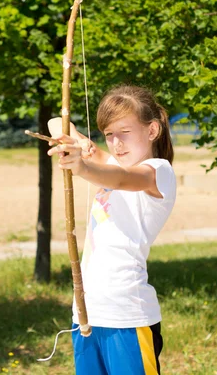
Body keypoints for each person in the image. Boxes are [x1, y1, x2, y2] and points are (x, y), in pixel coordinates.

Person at [47, 85, 176, 375]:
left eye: (125, 132)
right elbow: (56, 123)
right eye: (108, 135)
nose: (116, 143)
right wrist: (78, 143)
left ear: (152, 130)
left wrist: (83, 167)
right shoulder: (110, 161)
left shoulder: (158, 171)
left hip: (128, 316)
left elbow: (120, 178)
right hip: (87, 314)